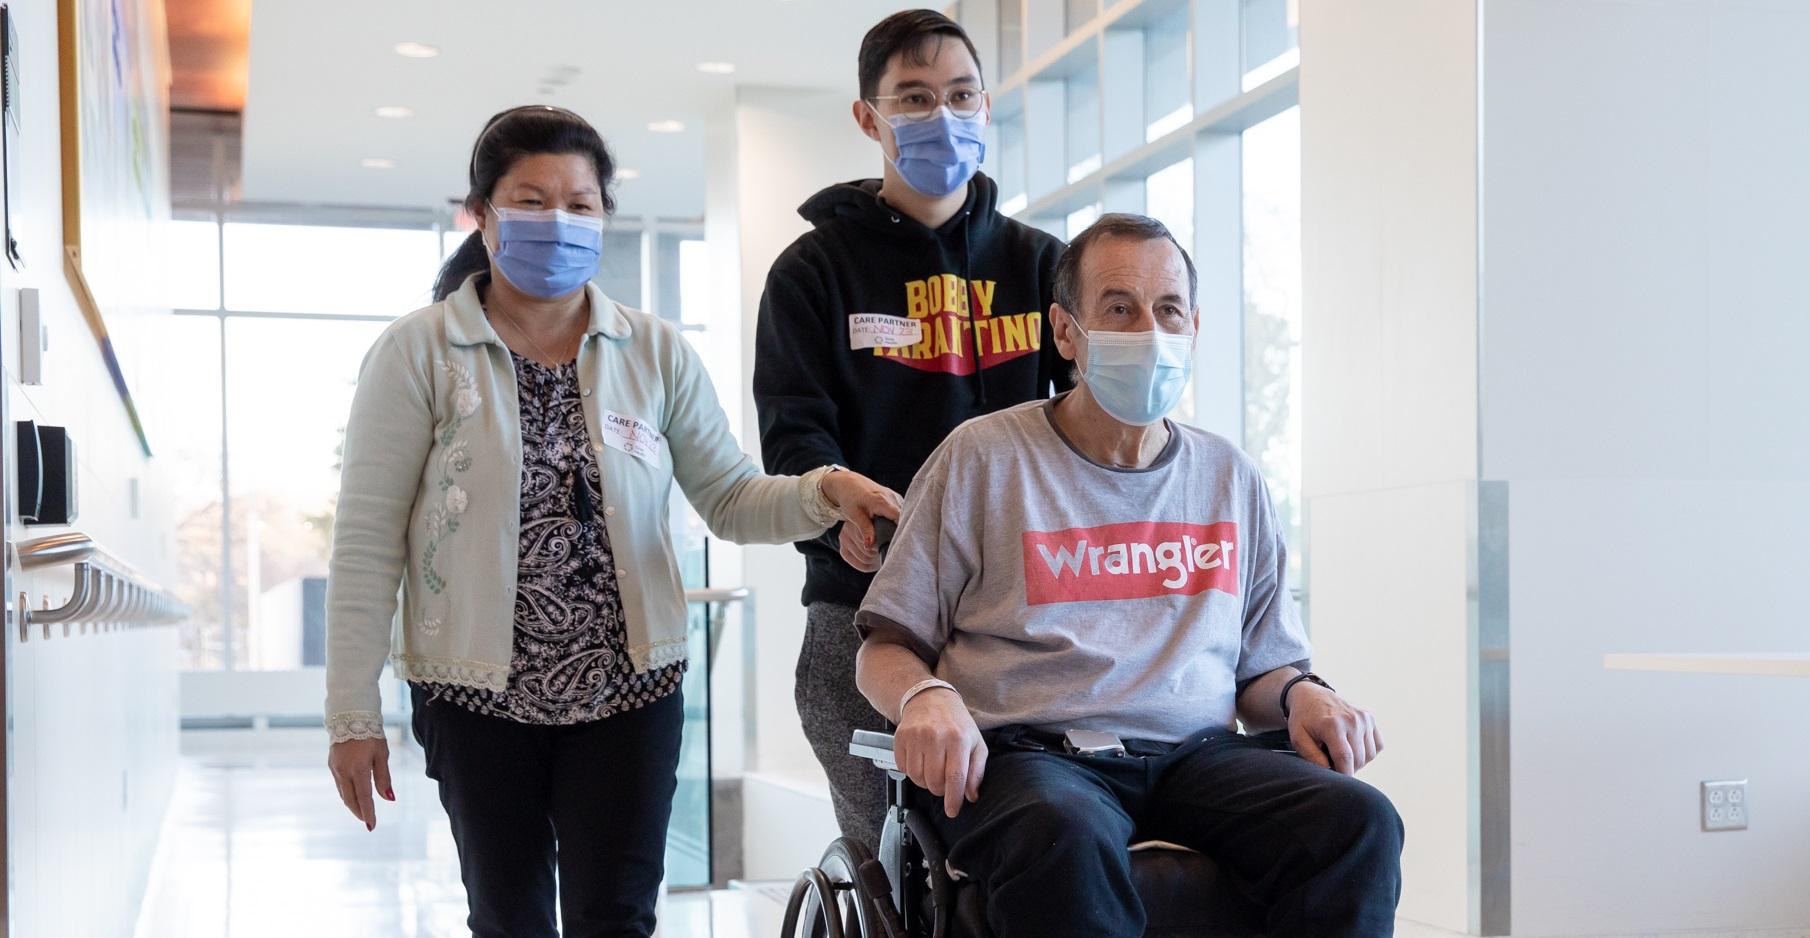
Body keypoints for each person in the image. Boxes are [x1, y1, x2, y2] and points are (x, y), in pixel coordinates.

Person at [322, 105, 901, 938]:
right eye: (530, 199)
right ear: (481, 215)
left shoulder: (653, 351)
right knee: (509, 919)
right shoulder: (421, 352)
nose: (557, 220)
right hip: (474, 699)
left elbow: (731, 496)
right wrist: (351, 716)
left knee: (618, 920)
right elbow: (368, 543)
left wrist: (824, 489)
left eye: (580, 203)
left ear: (604, 218)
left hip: (631, 696)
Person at [853, 214, 1404, 938]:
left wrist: (1306, 694)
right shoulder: (983, 459)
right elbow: (882, 648)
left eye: (1168, 309)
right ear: (1065, 331)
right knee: (1065, 831)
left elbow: (1264, 678)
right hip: (1033, 757)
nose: (1148, 329)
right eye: (1119, 308)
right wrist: (925, 697)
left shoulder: (1229, 479)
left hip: (1197, 758)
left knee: (1357, 822)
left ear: (1195, 327)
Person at [754, 8, 1071, 845]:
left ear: (988, 106)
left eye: (961, 95)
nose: (944, 117)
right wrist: (840, 508)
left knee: (1026, 844)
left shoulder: (1042, 267)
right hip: (862, 608)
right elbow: (793, 436)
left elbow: (1090, 432)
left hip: (1018, 614)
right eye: (916, 98)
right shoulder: (814, 271)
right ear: (870, 118)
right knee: (897, 860)